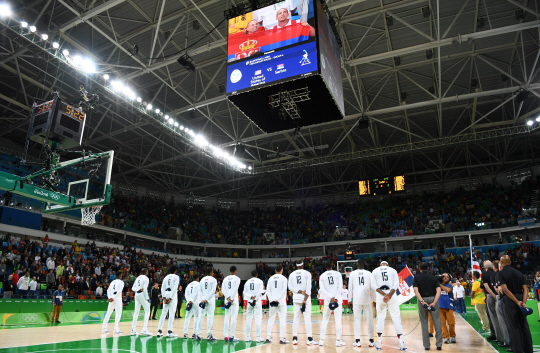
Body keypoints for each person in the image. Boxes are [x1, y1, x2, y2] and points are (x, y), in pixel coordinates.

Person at [498, 255, 533, 353]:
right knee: (524, 325)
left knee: (513, 327)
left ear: (501, 263)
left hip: (510, 300)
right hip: (521, 298)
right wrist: (523, 302)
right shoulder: (519, 273)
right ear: (510, 262)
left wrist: (516, 301)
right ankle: (528, 349)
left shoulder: (501, 274)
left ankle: (518, 350)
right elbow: (526, 289)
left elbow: (505, 289)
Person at [371, 260, 407, 351]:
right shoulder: (393, 270)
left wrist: (384, 294)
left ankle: (379, 343)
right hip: (392, 297)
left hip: (380, 297)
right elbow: (396, 285)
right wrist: (389, 295)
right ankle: (401, 343)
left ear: (380, 265)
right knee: (396, 318)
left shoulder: (375, 271)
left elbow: (374, 286)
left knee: (380, 318)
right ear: (387, 264)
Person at [413, 262, 442, 351]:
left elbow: (416, 291)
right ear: (428, 268)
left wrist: (422, 301)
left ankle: (427, 346)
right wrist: (434, 302)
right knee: (437, 321)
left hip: (422, 300)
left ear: (420, 269)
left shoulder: (416, 277)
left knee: (424, 323)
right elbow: (439, 291)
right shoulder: (434, 277)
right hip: (433, 298)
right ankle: (439, 345)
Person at [288, 260, 317, 345]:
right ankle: (310, 339)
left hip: (296, 298)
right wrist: (305, 299)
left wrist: (299, 291)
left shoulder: (292, 274)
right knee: (307, 318)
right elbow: (308, 288)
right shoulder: (307, 273)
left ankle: (294, 338)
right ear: (303, 265)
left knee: (296, 318)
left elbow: (290, 287)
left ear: (296, 266)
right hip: (305, 299)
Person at [348, 259, 376, 347]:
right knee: (369, 320)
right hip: (367, 300)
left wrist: (349, 299)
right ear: (364, 265)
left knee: (357, 320)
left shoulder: (352, 273)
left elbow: (350, 287)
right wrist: (374, 300)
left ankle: (357, 341)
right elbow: (372, 288)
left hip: (356, 300)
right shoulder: (369, 273)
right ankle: (371, 341)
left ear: (357, 265)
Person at [318, 261, 346, 347]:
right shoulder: (338, 274)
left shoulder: (322, 276)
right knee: (338, 320)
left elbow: (322, 289)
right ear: (332, 265)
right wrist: (336, 298)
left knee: (325, 319)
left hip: (328, 301)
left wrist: (330, 298)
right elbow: (340, 287)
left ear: (325, 267)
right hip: (337, 300)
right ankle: (338, 341)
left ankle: (321, 340)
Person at [429, 273, 456, 343]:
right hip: (439, 307)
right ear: (441, 278)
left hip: (448, 306)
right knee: (442, 323)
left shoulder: (450, 285)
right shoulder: (436, 286)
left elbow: (448, 290)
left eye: (447, 277)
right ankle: (446, 337)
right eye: (444, 276)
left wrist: (439, 284)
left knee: (451, 323)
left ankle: (452, 336)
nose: (446, 278)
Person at [265, 265, 288, 344]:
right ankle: (282, 338)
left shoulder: (270, 278)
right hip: (281, 302)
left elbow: (268, 290)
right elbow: (284, 290)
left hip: (272, 302)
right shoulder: (284, 278)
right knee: (282, 319)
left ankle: (268, 337)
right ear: (281, 270)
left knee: (271, 318)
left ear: (275, 270)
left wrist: (272, 300)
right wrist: (277, 299)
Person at [157, 265, 181, 338]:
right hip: (172, 295)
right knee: (171, 313)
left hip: (166, 294)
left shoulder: (166, 277)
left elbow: (162, 287)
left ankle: (159, 331)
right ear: (175, 271)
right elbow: (175, 288)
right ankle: (169, 331)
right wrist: (170, 298)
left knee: (163, 313)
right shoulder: (176, 277)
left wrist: (164, 297)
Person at [196, 266, 218, 341]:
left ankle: (198, 334)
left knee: (201, 316)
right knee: (210, 317)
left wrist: (203, 299)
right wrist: (207, 299)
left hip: (203, 301)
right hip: (210, 301)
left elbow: (200, 291)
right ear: (211, 272)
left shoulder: (202, 280)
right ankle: (209, 335)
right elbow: (213, 291)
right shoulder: (213, 280)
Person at [493, 260, 511, 348]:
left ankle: (508, 341)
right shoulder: (516, 273)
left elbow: (499, 289)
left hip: (503, 299)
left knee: (503, 320)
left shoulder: (499, 275)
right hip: (515, 298)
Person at [483, 261, 502, 342]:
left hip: (491, 296)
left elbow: (486, 287)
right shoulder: (497, 273)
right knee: (501, 316)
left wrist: (494, 296)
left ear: (485, 267)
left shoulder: (484, 274)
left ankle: (496, 335)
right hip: (500, 295)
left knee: (492, 316)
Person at [243, 270, 264, 342]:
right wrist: (255, 298)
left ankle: (247, 337)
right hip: (257, 302)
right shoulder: (260, 281)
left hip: (249, 302)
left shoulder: (247, 282)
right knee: (257, 319)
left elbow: (244, 292)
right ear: (257, 274)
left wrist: (251, 297)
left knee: (248, 320)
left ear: (251, 275)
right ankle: (258, 337)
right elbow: (260, 291)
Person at [130, 268, 152, 336]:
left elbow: (133, 288)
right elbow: (145, 289)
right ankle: (144, 329)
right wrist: (147, 298)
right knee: (147, 311)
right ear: (146, 272)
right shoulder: (146, 278)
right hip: (142, 295)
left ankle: (133, 330)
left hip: (137, 295)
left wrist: (138, 289)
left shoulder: (138, 278)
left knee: (136, 312)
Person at [222, 266, 241, 342]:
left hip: (227, 300)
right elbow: (235, 289)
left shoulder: (225, 279)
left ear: (230, 271)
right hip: (234, 301)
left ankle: (226, 336)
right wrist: (232, 299)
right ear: (235, 271)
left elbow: (223, 289)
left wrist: (228, 298)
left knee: (226, 317)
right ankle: (232, 336)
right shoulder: (237, 279)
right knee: (233, 318)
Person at [183, 273, 201, 339]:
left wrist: (189, 301)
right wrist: (192, 300)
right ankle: (195, 333)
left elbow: (186, 294)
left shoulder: (189, 285)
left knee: (187, 317)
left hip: (189, 303)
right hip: (195, 302)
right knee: (196, 317)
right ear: (198, 278)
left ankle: (185, 333)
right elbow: (196, 293)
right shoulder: (198, 284)